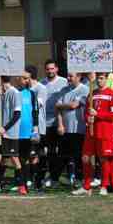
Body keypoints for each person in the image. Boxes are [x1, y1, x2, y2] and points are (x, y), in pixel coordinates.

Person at [73, 72, 113, 197]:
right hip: (91, 132)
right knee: (86, 158)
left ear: (106, 79)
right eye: (97, 78)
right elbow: (87, 111)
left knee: (104, 159)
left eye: (101, 78)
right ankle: (86, 186)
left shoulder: (112, 94)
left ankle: (104, 185)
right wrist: (88, 118)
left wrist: (97, 114)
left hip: (105, 131)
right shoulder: (92, 93)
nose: (99, 81)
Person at [56, 72, 89, 189]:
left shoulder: (84, 89)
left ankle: (80, 179)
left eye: (71, 76)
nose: (68, 78)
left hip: (79, 128)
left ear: (79, 77)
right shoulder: (64, 90)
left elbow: (75, 105)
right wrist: (60, 124)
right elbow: (57, 107)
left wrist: (63, 105)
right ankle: (60, 178)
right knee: (63, 155)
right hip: (65, 128)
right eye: (68, 76)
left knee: (78, 156)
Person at [41, 59, 68, 188]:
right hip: (46, 123)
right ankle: (51, 176)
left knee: (63, 151)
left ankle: (67, 175)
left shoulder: (64, 82)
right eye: (48, 69)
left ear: (56, 69)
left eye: (52, 69)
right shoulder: (42, 83)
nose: (50, 71)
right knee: (50, 151)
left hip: (61, 122)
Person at [26, 65, 47, 190]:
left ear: (30, 76)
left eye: (24, 77)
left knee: (37, 154)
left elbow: (37, 104)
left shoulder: (41, 88)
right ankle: (28, 179)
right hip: (26, 127)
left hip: (38, 127)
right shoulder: (24, 90)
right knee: (27, 154)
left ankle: (37, 180)